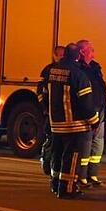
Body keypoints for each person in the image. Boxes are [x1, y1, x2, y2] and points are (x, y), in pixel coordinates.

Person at [38, 43, 100, 199]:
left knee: (57, 155)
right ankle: (68, 189)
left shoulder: (51, 71)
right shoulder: (78, 75)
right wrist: (94, 121)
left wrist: (48, 112)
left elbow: (43, 94)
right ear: (78, 56)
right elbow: (86, 103)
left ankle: (55, 185)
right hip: (74, 126)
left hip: (56, 124)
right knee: (71, 158)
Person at [76, 39, 106, 188]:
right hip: (87, 114)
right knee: (85, 146)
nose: (94, 53)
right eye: (91, 50)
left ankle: (92, 174)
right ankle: (81, 176)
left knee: (97, 145)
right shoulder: (79, 69)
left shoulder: (95, 67)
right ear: (82, 52)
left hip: (99, 112)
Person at [38, 45, 65, 176]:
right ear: (54, 56)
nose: (62, 58)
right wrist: (45, 108)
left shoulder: (66, 70)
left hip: (61, 113)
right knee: (50, 140)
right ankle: (46, 162)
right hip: (51, 113)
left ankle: (55, 167)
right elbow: (41, 92)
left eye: (64, 55)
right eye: (60, 55)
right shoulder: (48, 71)